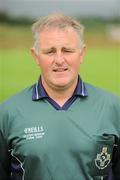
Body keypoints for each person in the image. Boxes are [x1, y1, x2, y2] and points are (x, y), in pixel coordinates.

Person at [0, 13, 120, 180]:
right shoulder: (7, 113)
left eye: (67, 50)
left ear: (82, 53)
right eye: (50, 51)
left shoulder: (113, 108)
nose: (59, 59)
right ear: (36, 56)